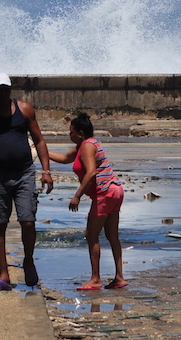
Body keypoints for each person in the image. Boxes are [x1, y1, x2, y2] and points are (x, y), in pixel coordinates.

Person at [0, 73, 53, 291]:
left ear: (11, 89)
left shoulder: (25, 109)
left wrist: (46, 171)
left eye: (6, 89)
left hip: (25, 172)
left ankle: (28, 260)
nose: (3, 93)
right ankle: (4, 274)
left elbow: (39, 140)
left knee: (28, 220)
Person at [49, 112, 127, 291]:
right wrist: (41, 150)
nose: (70, 136)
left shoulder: (86, 147)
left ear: (80, 133)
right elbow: (63, 159)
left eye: (71, 133)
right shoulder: (85, 145)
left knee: (91, 235)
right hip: (115, 190)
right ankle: (119, 277)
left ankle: (95, 279)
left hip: (105, 192)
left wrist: (77, 196)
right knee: (112, 235)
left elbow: (91, 173)